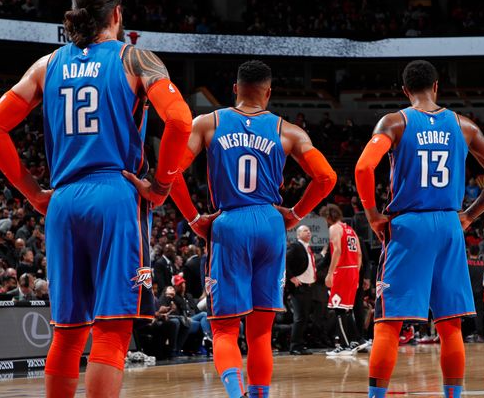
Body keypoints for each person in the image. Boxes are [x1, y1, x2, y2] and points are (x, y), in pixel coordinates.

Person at [0, 0, 192, 398]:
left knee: (69, 332)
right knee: (111, 334)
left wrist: (34, 193)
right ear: (116, 15)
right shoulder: (136, 59)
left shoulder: (46, 65)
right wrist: (162, 184)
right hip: (115, 195)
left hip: (64, 200)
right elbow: (181, 121)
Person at [135, 60, 336, 398]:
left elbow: (171, 171)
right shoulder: (288, 130)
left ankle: (233, 393)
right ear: (268, 93)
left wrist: (194, 218)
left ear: (234, 89)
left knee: (225, 328)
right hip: (270, 223)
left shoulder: (208, 122)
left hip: (230, 222)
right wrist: (295, 214)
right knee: (260, 331)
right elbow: (327, 178)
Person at [354, 60, 484, 398]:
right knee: (450, 323)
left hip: (410, 225)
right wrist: (469, 216)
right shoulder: (463, 125)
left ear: (405, 90)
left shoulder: (395, 121)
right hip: (449, 225)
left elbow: (364, 167)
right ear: (437, 86)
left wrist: (371, 215)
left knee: (389, 322)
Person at [321, 204, 365, 356]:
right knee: (347, 309)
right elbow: (359, 254)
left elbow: (338, 250)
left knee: (338, 309)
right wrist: (356, 274)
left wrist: (330, 273)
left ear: (328, 216)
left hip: (343, 270)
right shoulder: (351, 230)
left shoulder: (334, 228)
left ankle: (344, 346)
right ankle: (354, 341)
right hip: (353, 270)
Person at [285, 225, 317, 355]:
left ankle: (300, 345)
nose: (308, 232)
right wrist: (291, 277)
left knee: (304, 318)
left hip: (307, 287)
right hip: (298, 288)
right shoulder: (295, 246)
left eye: (309, 230)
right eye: (305, 230)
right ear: (298, 235)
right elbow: (284, 261)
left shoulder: (308, 248)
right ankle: (294, 346)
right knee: (299, 318)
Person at [466, 245, 484, 341]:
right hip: (479, 291)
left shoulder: (466, 263)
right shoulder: (483, 263)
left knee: (467, 312)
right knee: (479, 313)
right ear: (479, 252)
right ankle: (480, 335)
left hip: (468, 292)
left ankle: (467, 334)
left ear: (469, 252)